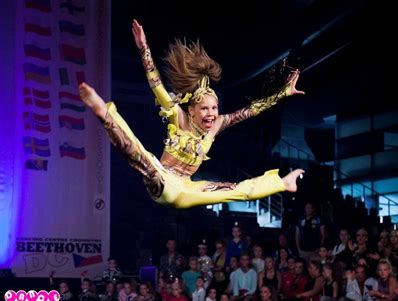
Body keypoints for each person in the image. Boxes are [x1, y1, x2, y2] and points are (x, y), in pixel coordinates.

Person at [78, 20, 305, 210]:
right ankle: (105, 113)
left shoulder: (217, 124)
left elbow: (253, 110)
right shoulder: (179, 117)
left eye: (214, 108)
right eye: (205, 109)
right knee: (141, 156)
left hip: (189, 189)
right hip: (163, 182)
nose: (211, 114)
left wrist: (282, 93)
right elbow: (156, 85)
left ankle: (282, 183)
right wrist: (143, 48)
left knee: (236, 190)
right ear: (192, 110)